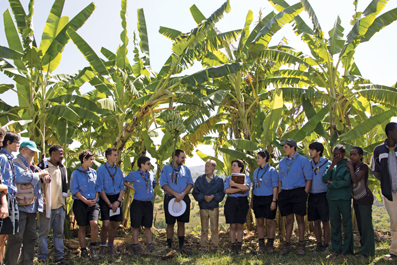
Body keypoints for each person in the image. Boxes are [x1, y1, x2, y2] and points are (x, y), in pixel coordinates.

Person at [4, 141, 50, 265]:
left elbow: (43, 173)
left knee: (30, 237)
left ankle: (27, 262)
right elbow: (21, 177)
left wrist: (44, 175)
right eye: (31, 151)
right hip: (21, 207)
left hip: (33, 207)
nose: (33, 154)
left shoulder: (33, 166)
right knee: (16, 238)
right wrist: (40, 174)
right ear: (23, 150)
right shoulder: (15, 163)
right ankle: (11, 263)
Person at [278, 139, 312, 255]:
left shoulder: (303, 161)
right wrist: (279, 192)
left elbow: (309, 178)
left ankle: (301, 244)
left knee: (300, 219)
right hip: (285, 192)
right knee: (288, 219)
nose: (284, 149)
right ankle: (287, 244)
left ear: (293, 148)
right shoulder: (282, 162)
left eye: (286, 147)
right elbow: (280, 179)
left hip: (299, 192)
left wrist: (305, 193)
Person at [37, 145, 68, 263]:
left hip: (60, 205)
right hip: (47, 206)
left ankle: (59, 256)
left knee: (59, 233)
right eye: (60, 153)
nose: (62, 155)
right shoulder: (43, 167)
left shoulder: (62, 167)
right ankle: (42, 257)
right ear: (52, 153)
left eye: (62, 153)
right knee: (43, 234)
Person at [322, 144, 353, 258]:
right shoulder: (330, 166)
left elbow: (347, 181)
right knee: (335, 224)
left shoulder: (347, 165)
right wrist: (331, 167)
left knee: (347, 224)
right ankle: (336, 249)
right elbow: (324, 179)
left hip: (344, 198)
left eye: (338, 155)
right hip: (332, 198)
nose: (336, 157)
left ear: (343, 154)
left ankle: (347, 250)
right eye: (334, 155)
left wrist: (333, 183)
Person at [160, 149, 193, 254]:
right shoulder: (165, 169)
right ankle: (169, 247)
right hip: (170, 198)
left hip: (183, 198)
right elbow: (164, 184)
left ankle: (181, 246)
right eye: (182, 157)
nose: (183, 159)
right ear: (175, 157)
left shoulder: (186, 169)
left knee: (181, 223)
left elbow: (190, 184)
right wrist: (176, 194)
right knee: (170, 223)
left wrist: (182, 194)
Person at [372, 122, 397, 258]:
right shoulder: (379, 150)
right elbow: (376, 170)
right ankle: (394, 251)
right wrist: (386, 182)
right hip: (390, 192)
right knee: (394, 221)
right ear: (390, 133)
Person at [70, 150, 100, 260]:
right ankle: (83, 250)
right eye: (91, 159)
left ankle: (93, 247)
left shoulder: (94, 173)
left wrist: (95, 199)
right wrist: (85, 201)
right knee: (82, 227)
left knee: (94, 223)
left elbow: (98, 187)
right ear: (84, 160)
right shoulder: (75, 174)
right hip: (80, 203)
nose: (93, 161)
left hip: (93, 202)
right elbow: (74, 190)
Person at [124, 156, 156, 254]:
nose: (150, 165)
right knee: (135, 225)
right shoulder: (134, 174)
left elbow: (153, 184)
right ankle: (135, 245)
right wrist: (131, 187)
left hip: (148, 203)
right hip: (138, 203)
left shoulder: (151, 174)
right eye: (148, 164)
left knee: (148, 225)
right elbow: (124, 181)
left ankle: (149, 244)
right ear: (142, 165)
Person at [347, 146, 375, 257]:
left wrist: (349, 167)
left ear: (361, 156)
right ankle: (364, 249)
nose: (352, 156)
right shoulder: (354, 166)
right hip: (357, 199)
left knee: (366, 225)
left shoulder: (363, 167)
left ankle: (368, 252)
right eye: (351, 154)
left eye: (355, 154)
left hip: (365, 198)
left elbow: (355, 179)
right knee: (361, 226)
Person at [192, 160, 225, 253]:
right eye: (205, 166)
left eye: (208, 166)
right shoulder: (200, 179)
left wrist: (213, 196)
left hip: (214, 207)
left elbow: (222, 193)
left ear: (214, 168)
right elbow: (195, 192)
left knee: (214, 229)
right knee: (204, 229)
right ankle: (204, 248)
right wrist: (204, 197)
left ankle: (214, 247)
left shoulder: (219, 180)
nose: (206, 168)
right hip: (203, 206)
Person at [97, 148, 125, 257]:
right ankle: (102, 246)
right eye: (114, 155)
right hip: (105, 198)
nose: (117, 157)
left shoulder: (119, 171)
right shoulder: (101, 169)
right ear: (108, 156)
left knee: (113, 224)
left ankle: (111, 246)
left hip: (116, 198)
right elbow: (100, 188)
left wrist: (118, 201)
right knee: (105, 224)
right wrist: (109, 203)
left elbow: (122, 187)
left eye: (117, 155)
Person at [251, 151, 278, 254]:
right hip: (258, 198)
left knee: (270, 222)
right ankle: (261, 245)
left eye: (258, 158)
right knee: (260, 222)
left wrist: (274, 201)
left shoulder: (272, 170)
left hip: (269, 198)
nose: (257, 159)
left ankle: (270, 245)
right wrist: (252, 200)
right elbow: (253, 187)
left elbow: (275, 187)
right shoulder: (256, 171)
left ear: (265, 158)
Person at [0, 131, 19, 264]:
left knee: (5, 235)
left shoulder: (9, 158)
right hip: (4, 197)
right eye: (17, 142)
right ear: (8, 142)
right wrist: (4, 203)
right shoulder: (2, 157)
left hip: (11, 196)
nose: (18, 145)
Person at [224, 159, 250, 255]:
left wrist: (234, 185)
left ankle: (239, 246)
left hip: (242, 202)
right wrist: (240, 188)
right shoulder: (228, 178)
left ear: (240, 168)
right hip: (231, 202)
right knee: (232, 225)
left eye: (234, 165)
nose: (232, 167)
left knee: (240, 225)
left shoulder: (246, 178)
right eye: (232, 165)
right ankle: (233, 246)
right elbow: (227, 190)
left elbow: (247, 188)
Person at [308, 142, 331, 253]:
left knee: (325, 221)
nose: (310, 152)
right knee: (316, 222)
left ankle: (326, 245)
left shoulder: (328, 164)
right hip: (312, 195)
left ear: (319, 152)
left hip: (324, 195)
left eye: (312, 150)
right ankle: (319, 244)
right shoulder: (308, 165)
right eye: (310, 150)